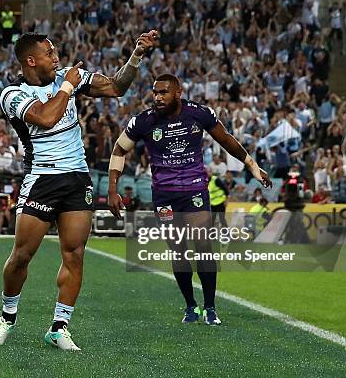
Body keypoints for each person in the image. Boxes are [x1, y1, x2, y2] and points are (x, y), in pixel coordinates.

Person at [0, 30, 158, 350]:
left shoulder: (68, 77)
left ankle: (59, 327)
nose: (57, 57)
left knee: (75, 253)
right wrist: (67, 85)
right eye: (50, 53)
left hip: (77, 177)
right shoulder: (12, 94)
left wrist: (137, 55)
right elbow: (46, 118)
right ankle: (7, 316)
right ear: (31, 60)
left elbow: (116, 87)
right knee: (22, 255)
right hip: (42, 178)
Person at [108, 74, 272, 326]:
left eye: (163, 92)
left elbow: (226, 138)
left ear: (178, 92)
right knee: (179, 251)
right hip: (164, 196)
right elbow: (120, 148)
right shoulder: (144, 121)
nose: (157, 97)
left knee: (204, 247)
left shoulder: (199, 113)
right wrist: (112, 188)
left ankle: (210, 307)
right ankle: (190, 306)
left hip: (195, 190)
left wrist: (251, 165)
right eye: (155, 92)